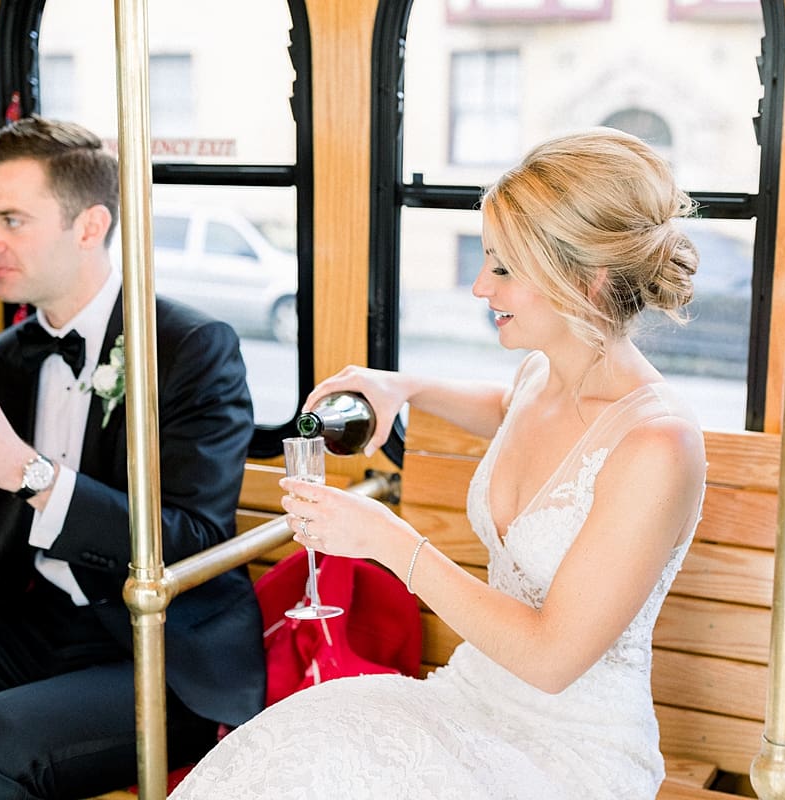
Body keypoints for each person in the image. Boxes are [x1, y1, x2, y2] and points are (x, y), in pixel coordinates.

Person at [171, 128, 708, 800]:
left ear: (587, 280)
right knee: (284, 748)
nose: (482, 286)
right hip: (470, 696)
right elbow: (508, 407)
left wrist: (390, 543)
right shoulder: (545, 375)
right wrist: (404, 387)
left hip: (569, 750)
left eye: (504, 268)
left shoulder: (659, 447)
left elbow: (550, 659)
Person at [0, 116, 260, 799]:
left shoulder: (192, 348)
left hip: (157, 653)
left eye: (11, 220)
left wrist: (31, 476)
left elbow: (194, 541)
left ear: (89, 227)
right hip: (29, 631)